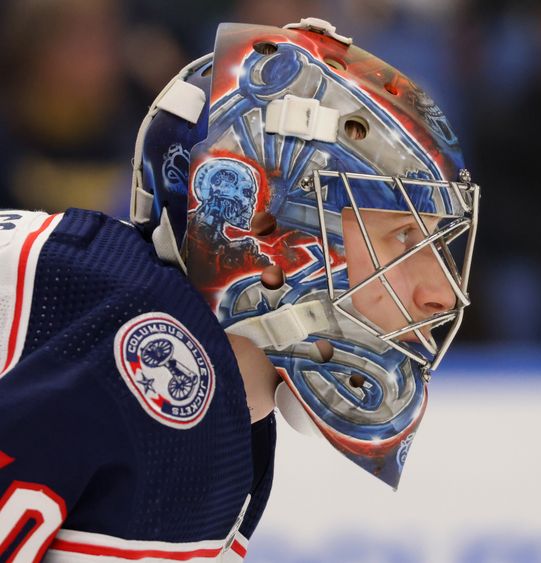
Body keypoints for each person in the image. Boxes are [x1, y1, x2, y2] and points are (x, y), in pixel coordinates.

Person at [0, 18, 478, 561]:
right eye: (401, 236)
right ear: (264, 233)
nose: (439, 292)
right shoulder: (158, 368)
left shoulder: (228, 407)